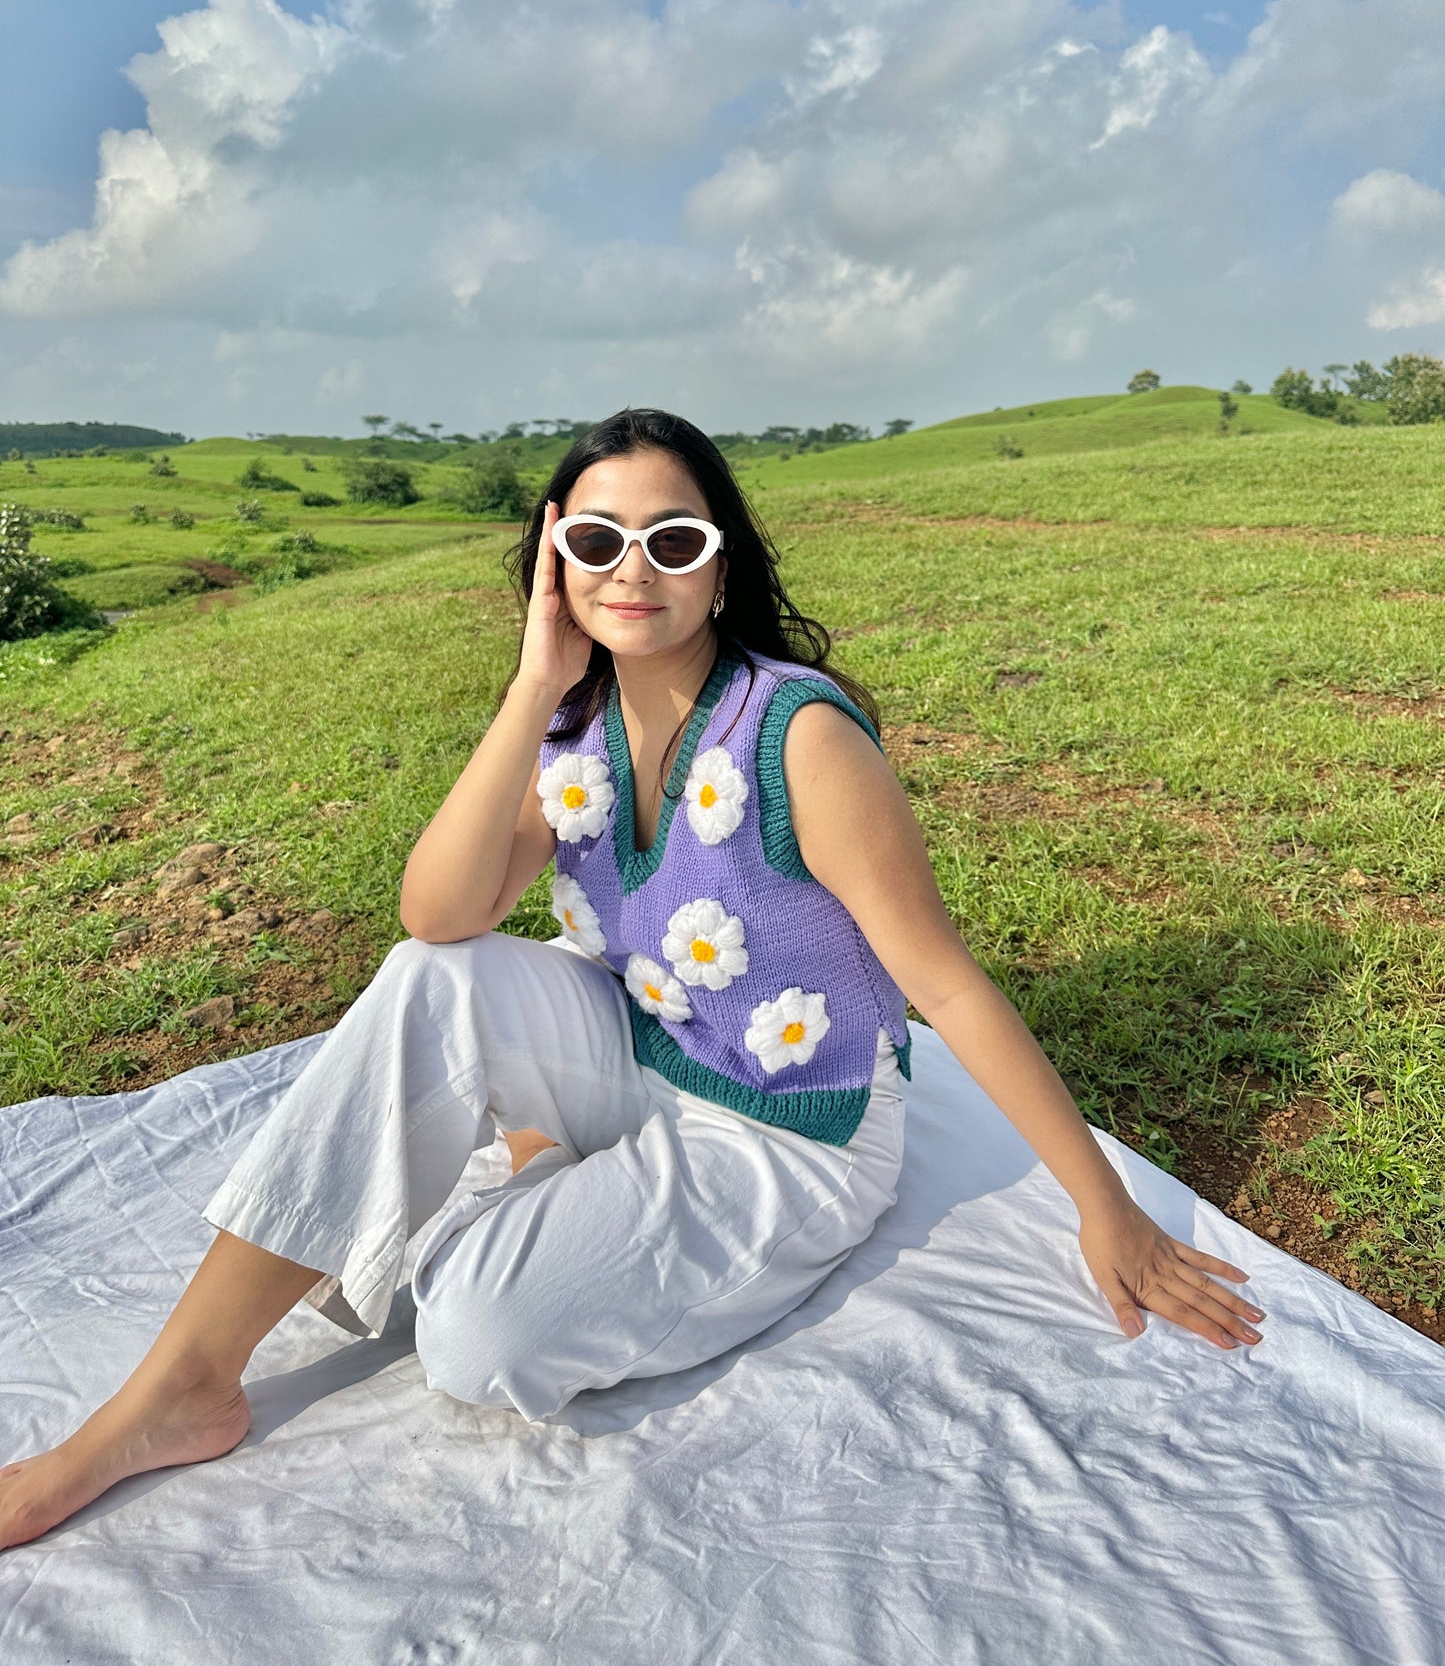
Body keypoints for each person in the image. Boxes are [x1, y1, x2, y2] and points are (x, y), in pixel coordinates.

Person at [0, 407, 1266, 1551]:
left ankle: (474, 1186)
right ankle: (180, 1387)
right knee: (422, 981)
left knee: (472, 1338)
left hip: (784, 1123)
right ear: (556, 556)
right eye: (598, 539)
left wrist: (1104, 1207)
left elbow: (948, 984)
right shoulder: (572, 722)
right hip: (634, 1039)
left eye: (672, 540)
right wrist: (529, 684)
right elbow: (437, 914)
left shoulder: (799, 735)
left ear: (720, 560)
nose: (632, 570)